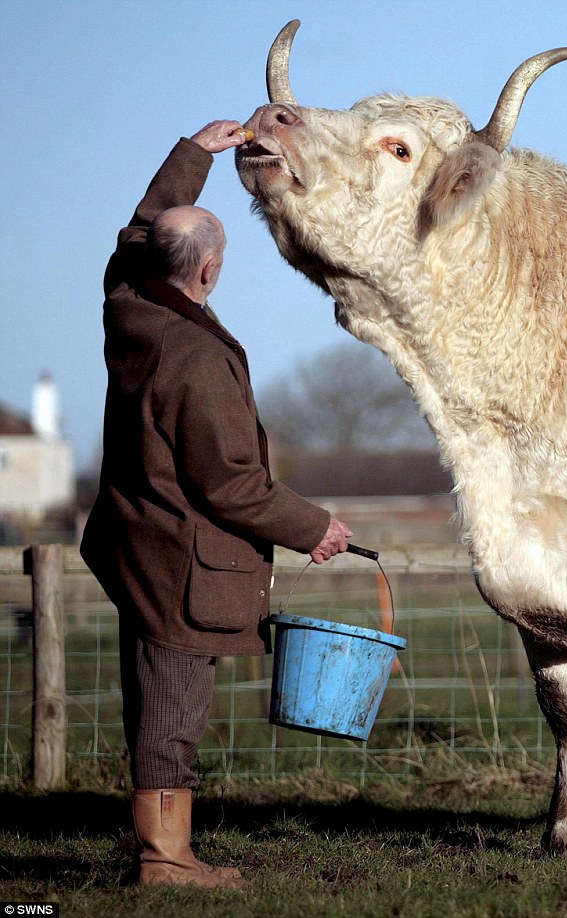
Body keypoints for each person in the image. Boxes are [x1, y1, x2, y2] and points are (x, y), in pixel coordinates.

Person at [80, 120, 352, 890]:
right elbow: (231, 483)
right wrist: (316, 528)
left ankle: (156, 851)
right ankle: (166, 862)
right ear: (207, 271)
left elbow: (138, 234)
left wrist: (194, 154)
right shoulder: (194, 357)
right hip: (180, 561)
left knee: (152, 701)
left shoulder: (128, 305)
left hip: (136, 543)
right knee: (171, 711)